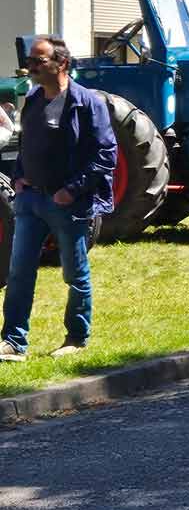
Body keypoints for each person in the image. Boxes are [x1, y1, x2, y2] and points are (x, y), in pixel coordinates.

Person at [0, 38, 117, 362]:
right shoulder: (34, 98)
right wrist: (19, 177)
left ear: (61, 64)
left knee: (74, 274)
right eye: (29, 61)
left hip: (68, 204)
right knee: (19, 272)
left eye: (38, 61)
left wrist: (72, 190)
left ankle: (76, 338)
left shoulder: (86, 103)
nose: (31, 67)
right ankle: (13, 342)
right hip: (30, 200)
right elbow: (26, 142)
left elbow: (106, 154)